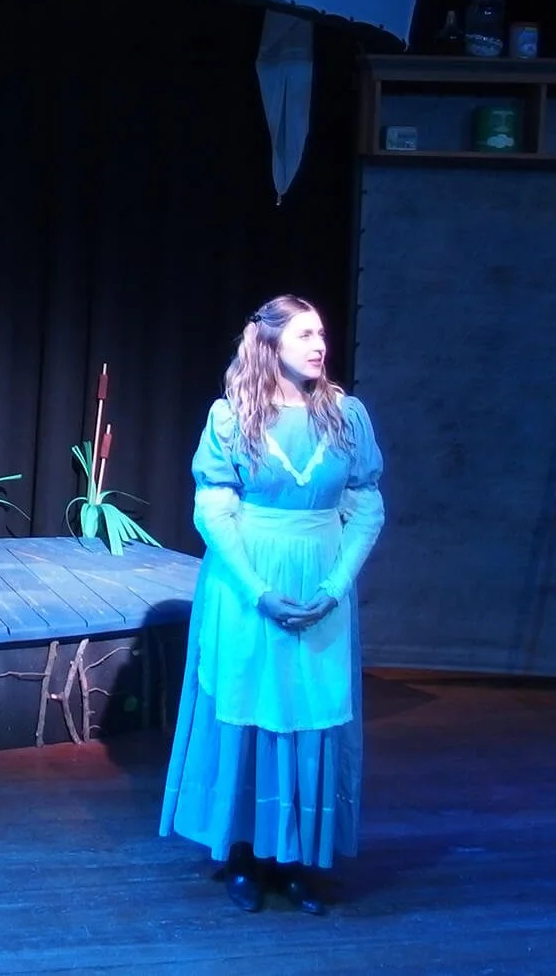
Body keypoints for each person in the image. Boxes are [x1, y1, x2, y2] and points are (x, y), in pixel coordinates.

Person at [159, 294, 386, 915]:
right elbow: (214, 508)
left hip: (320, 578)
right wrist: (258, 589)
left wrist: (334, 587)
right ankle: (245, 856)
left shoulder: (347, 416)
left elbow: (366, 504)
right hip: (247, 580)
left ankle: (299, 861)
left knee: (309, 711)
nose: (320, 345)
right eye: (305, 335)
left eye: (322, 335)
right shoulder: (232, 418)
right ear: (272, 344)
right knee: (250, 707)